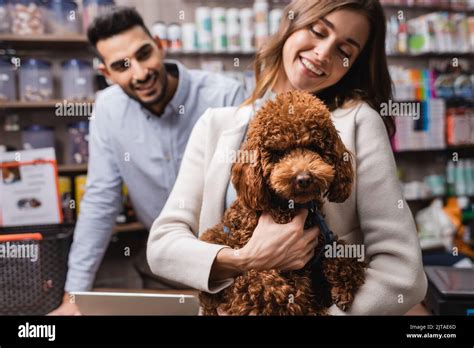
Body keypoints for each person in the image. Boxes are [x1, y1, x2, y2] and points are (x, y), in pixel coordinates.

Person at [147, 0, 428, 315]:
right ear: (290, 24)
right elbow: (162, 246)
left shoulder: (358, 124)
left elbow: (403, 272)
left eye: (344, 51)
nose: (323, 53)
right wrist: (246, 259)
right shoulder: (217, 125)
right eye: (318, 31)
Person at [49, 7, 245, 315]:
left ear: (159, 45)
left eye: (144, 54)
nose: (140, 73)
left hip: (231, 262)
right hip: (164, 267)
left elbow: (246, 191)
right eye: (122, 66)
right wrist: (74, 295)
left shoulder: (224, 94)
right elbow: (101, 201)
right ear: (108, 74)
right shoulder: (107, 110)